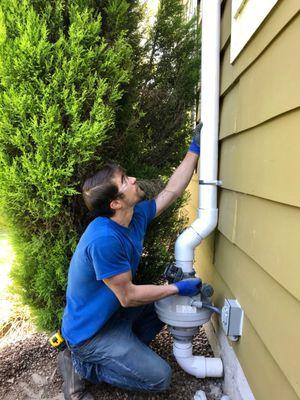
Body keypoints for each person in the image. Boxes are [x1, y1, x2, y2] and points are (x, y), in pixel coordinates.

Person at [58, 125, 202, 400]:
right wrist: (177, 288)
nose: (134, 179)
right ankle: (84, 366)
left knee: (162, 304)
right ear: (115, 203)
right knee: (160, 378)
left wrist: (194, 149)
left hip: (113, 316)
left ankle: (122, 352)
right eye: (125, 180)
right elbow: (128, 296)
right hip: (91, 334)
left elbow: (170, 192)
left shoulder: (133, 216)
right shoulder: (105, 240)